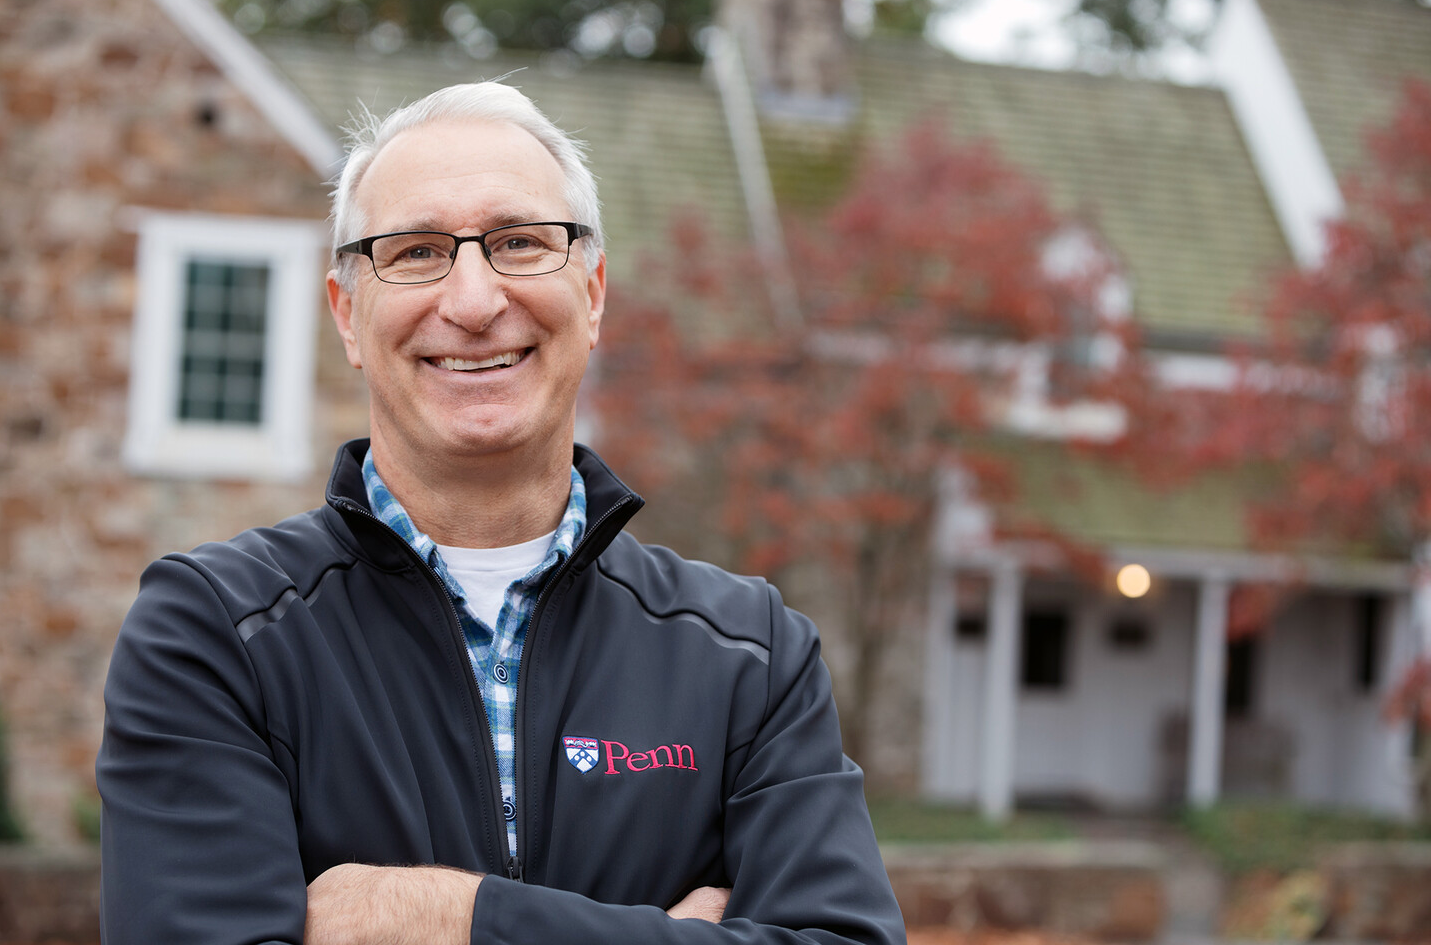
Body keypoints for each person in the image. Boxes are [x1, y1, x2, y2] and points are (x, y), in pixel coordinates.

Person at [96, 81, 906, 945]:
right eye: (414, 252)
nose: (475, 302)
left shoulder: (749, 650)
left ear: (593, 294)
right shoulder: (216, 634)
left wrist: (452, 918)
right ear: (347, 315)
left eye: (519, 242)